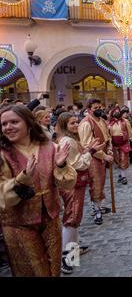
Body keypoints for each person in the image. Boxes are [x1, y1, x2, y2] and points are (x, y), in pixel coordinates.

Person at [0, 105, 76, 277]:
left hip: (53, 213)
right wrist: (22, 179)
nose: (8, 127)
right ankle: (71, 259)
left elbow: (68, 179)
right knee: (36, 271)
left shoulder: (50, 146)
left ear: (28, 123)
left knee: (74, 222)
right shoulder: (3, 154)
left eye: (14, 122)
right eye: (4, 124)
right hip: (20, 223)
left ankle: (72, 258)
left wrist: (61, 165)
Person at [57, 112, 103, 274]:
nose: (76, 125)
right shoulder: (68, 141)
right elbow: (78, 164)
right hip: (73, 185)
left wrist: (89, 149)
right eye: (72, 123)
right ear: (64, 126)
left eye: (76, 122)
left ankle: (74, 248)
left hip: (76, 183)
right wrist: (90, 153)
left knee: (75, 217)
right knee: (72, 218)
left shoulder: (71, 139)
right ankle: (67, 257)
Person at [78, 99, 113, 225]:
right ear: (88, 110)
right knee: (95, 182)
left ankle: (98, 205)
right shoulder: (86, 123)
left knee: (101, 182)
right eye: (95, 108)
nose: (99, 109)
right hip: (93, 158)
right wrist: (103, 155)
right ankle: (96, 210)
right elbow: (86, 144)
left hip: (103, 156)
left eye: (100, 106)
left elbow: (107, 137)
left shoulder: (102, 121)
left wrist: (109, 150)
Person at [108, 107, 132, 185]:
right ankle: (121, 174)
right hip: (114, 145)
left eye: (118, 111)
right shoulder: (109, 123)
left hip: (124, 144)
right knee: (117, 161)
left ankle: (124, 177)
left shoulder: (125, 121)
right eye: (115, 112)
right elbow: (107, 135)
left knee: (123, 160)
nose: (117, 113)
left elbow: (130, 131)